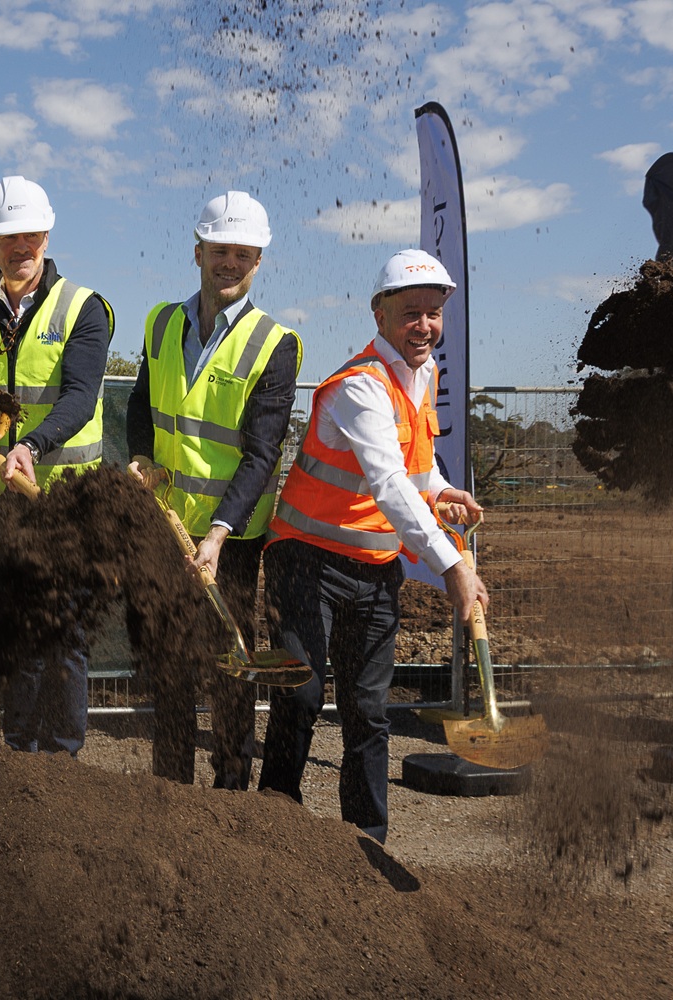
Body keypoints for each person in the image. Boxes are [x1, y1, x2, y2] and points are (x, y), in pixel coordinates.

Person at [258, 248, 487, 843]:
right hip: (306, 559)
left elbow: (412, 468)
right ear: (379, 315)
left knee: (369, 712)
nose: (425, 326)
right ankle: (272, 832)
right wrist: (453, 563)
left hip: (375, 567)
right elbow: (386, 484)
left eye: (434, 314)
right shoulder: (359, 387)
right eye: (411, 313)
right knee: (301, 696)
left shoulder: (423, 374)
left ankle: (367, 846)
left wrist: (441, 490)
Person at [125, 191, 302, 789]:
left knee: (231, 664)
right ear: (198, 251)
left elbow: (261, 454)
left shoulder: (276, 345)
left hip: (231, 537)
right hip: (165, 525)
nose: (231, 263)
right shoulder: (160, 322)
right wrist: (141, 456)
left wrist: (220, 533)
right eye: (221, 251)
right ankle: (169, 790)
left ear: (259, 262)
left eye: (244, 255)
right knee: (168, 663)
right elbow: (139, 405)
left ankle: (230, 794)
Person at [0, 175, 113, 755]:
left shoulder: (84, 307)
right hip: (0, 500)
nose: (21, 245)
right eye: (7, 236)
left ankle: (62, 754)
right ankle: (19, 751)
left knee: (66, 632)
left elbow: (80, 395)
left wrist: (34, 445)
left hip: (65, 497)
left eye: (30, 234)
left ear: (46, 234)